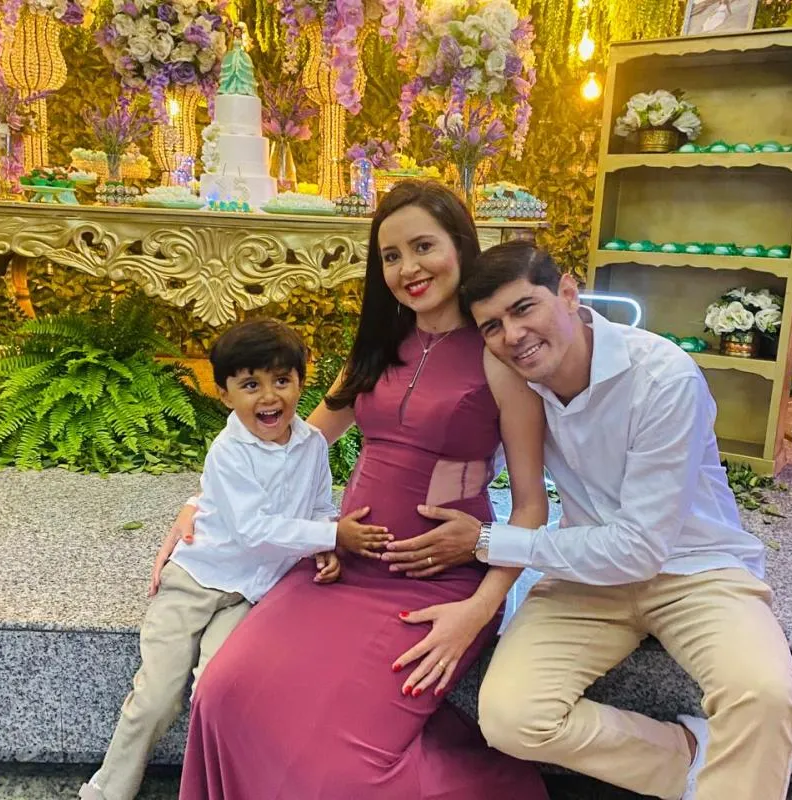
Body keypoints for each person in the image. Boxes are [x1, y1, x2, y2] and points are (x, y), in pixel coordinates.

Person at [167, 181, 550, 799]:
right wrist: (201, 503)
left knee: (338, 774)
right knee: (222, 694)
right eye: (391, 256)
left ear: (460, 243)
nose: (408, 268)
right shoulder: (377, 348)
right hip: (341, 566)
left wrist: (476, 612)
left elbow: (532, 506)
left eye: (423, 246)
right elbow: (294, 442)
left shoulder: (498, 356)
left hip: (441, 585)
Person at [409, 240, 792, 800]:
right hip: (586, 578)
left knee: (764, 694)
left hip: (694, 567)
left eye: (523, 308)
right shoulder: (518, 382)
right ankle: (691, 758)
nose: (513, 335)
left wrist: (492, 540)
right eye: (492, 326)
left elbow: (640, 548)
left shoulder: (662, 376)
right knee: (511, 717)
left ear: (568, 293)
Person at [80, 319, 390, 800]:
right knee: (156, 697)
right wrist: (333, 534)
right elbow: (252, 529)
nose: (269, 397)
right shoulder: (229, 451)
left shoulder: (311, 445)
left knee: (218, 688)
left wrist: (325, 543)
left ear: (301, 382)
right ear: (224, 394)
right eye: (250, 385)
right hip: (196, 579)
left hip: (250, 592)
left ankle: (215, 787)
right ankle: (106, 790)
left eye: (282, 380)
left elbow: (317, 506)